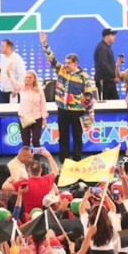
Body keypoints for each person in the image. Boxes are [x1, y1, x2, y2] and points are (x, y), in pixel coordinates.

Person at [40, 31, 94, 163]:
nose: (66, 64)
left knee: (77, 137)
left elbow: (88, 96)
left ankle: (77, 161)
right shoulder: (62, 70)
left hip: (78, 111)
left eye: (69, 63)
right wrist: (45, 44)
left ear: (75, 63)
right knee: (63, 137)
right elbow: (52, 59)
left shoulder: (84, 77)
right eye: (65, 62)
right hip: (62, 110)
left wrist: (90, 113)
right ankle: (63, 161)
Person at [7, 67, 48, 148]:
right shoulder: (22, 88)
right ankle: (27, 156)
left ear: (34, 79)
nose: (28, 79)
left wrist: (44, 118)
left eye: (30, 77)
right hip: (25, 116)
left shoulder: (39, 89)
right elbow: (13, 83)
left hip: (37, 117)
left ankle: (37, 156)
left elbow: (43, 104)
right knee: (26, 141)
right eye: (26, 77)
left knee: (36, 140)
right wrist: (8, 72)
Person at [94, 28, 119, 100]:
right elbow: (104, 64)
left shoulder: (107, 47)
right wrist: (113, 76)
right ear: (106, 36)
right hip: (104, 81)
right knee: (104, 103)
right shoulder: (102, 48)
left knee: (116, 103)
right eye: (112, 35)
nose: (114, 37)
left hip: (109, 81)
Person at [0, 39, 26, 104]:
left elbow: (22, 74)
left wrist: (17, 89)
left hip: (12, 91)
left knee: (13, 109)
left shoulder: (17, 58)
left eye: (2, 46)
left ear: (9, 47)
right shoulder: (2, 57)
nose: (0, 48)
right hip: (2, 90)